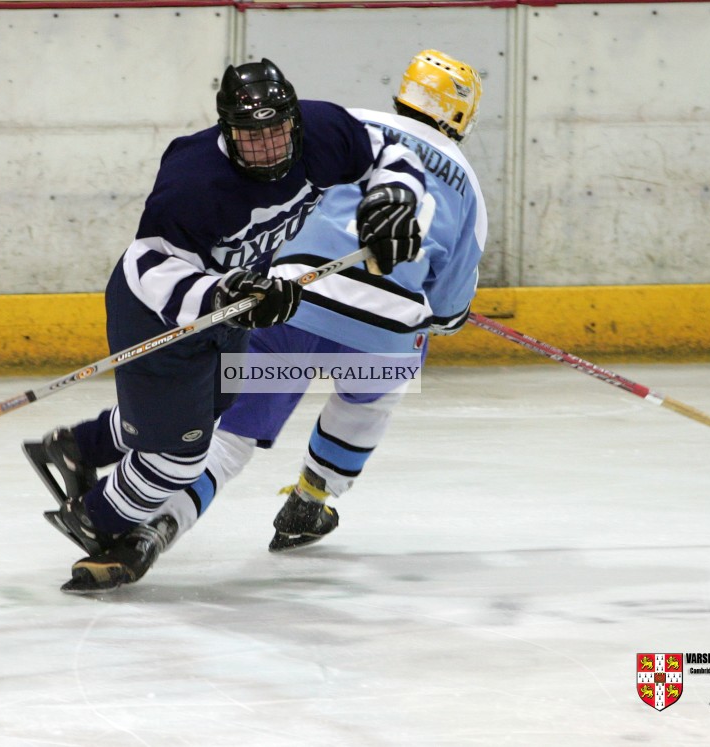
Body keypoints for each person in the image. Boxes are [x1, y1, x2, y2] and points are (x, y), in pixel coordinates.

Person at [24, 58, 426, 594]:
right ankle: (97, 518)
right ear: (225, 131)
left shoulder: (322, 132)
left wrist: (395, 200)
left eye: (277, 132)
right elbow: (147, 266)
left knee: (213, 407)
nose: (268, 149)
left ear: (295, 121)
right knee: (179, 455)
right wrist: (219, 293)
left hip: (237, 304)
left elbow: (389, 152)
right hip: (160, 313)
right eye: (250, 137)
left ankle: (80, 446)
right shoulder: (195, 178)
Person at [151, 49, 487, 552]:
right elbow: (449, 302)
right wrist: (442, 318)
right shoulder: (468, 184)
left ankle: (153, 529)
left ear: (403, 92)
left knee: (232, 434)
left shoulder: (350, 127)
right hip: (385, 329)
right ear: (461, 115)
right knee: (376, 390)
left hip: (293, 300)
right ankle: (312, 498)